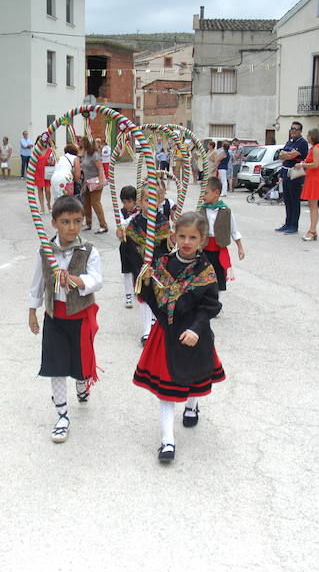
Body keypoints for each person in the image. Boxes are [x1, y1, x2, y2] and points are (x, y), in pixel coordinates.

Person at [132, 211, 224, 462]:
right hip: (166, 334)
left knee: (195, 376)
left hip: (195, 333)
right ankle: (167, 441)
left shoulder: (206, 270)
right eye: (182, 236)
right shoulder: (162, 264)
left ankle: (192, 406)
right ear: (173, 236)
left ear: (202, 240)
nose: (186, 241)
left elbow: (210, 305)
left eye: (193, 237)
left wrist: (196, 329)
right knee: (166, 390)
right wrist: (147, 284)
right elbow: (153, 301)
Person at [27, 195, 102, 443]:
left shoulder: (88, 250)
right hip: (54, 317)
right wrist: (32, 311)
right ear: (54, 223)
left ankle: (82, 383)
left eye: (77, 221)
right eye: (66, 221)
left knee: (80, 366)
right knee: (56, 366)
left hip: (80, 318)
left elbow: (97, 279)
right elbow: (38, 282)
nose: (72, 227)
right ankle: (62, 415)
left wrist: (81, 281)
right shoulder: (46, 252)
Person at [120, 184, 173, 344]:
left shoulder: (163, 222)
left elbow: (167, 247)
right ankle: (146, 332)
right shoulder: (134, 223)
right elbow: (129, 243)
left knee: (157, 297)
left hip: (158, 266)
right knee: (143, 297)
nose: (150, 204)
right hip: (140, 266)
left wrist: (170, 242)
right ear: (140, 202)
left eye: (154, 200)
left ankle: (157, 326)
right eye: (146, 200)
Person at [198, 176, 245, 292]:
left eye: (206, 192)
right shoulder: (202, 210)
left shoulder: (226, 211)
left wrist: (240, 248)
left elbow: (234, 231)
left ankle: (216, 302)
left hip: (218, 250)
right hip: (204, 250)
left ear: (216, 193)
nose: (203, 196)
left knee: (219, 278)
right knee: (203, 277)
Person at [276, 122, 310, 234]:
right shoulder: (289, 141)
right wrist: (287, 154)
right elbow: (281, 155)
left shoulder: (302, 143)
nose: (293, 131)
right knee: (287, 200)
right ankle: (287, 223)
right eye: (292, 129)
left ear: (300, 131)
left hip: (295, 174)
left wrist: (287, 154)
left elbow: (292, 155)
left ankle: (294, 225)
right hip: (286, 173)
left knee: (294, 200)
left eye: (296, 129)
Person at [294, 128, 319, 241]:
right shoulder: (314, 148)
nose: (307, 137)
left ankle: (312, 230)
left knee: (313, 206)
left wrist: (302, 165)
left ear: (312, 136)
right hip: (312, 177)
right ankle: (313, 230)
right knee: (312, 205)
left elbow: (316, 164)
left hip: (315, 178)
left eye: (308, 135)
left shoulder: (317, 148)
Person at [79, 137, 109, 233]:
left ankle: (103, 225)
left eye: (82, 142)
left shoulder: (95, 155)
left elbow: (100, 168)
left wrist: (101, 181)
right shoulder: (86, 153)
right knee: (86, 203)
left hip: (95, 182)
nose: (80, 144)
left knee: (95, 203)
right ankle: (88, 223)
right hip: (87, 182)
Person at [117, 184, 139, 308]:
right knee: (126, 271)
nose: (127, 205)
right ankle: (128, 296)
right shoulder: (120, 212)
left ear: (135, 201)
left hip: (137, 245)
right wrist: (133, 216)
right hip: (125, 244)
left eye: (129, 202)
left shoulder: (140, 211)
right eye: (124, 202)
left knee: (137, 269)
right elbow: (122, 224)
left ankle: (137, 290)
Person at [32, 133, 53, 213]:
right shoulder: (35, 151)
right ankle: (42, 207)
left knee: (47, 190)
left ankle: (48, 204)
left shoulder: (50, 150)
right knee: (39, 189)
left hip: (47, 172)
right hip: (38, 172)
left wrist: (50, 162)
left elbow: (53, 161)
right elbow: (32, 162)